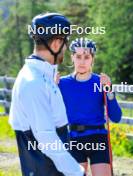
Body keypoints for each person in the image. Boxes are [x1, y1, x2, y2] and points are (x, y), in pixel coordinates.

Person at [9, 13, 85, 176]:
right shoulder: (33, 82)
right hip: (48, 169)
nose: (66, 48)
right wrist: (77, 172)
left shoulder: (40, 76)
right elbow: (47, 139)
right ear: (57, 43)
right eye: (66, 42)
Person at [58, 37, 122, 176]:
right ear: (72, 57)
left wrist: (109, 90)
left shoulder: (100, 82)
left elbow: (116, 117)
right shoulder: (62, 83)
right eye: (78, 56)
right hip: (73, 138)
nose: (82, 61)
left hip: (98, 137)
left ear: (92, 59)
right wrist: (51, 88)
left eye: (86, 57)